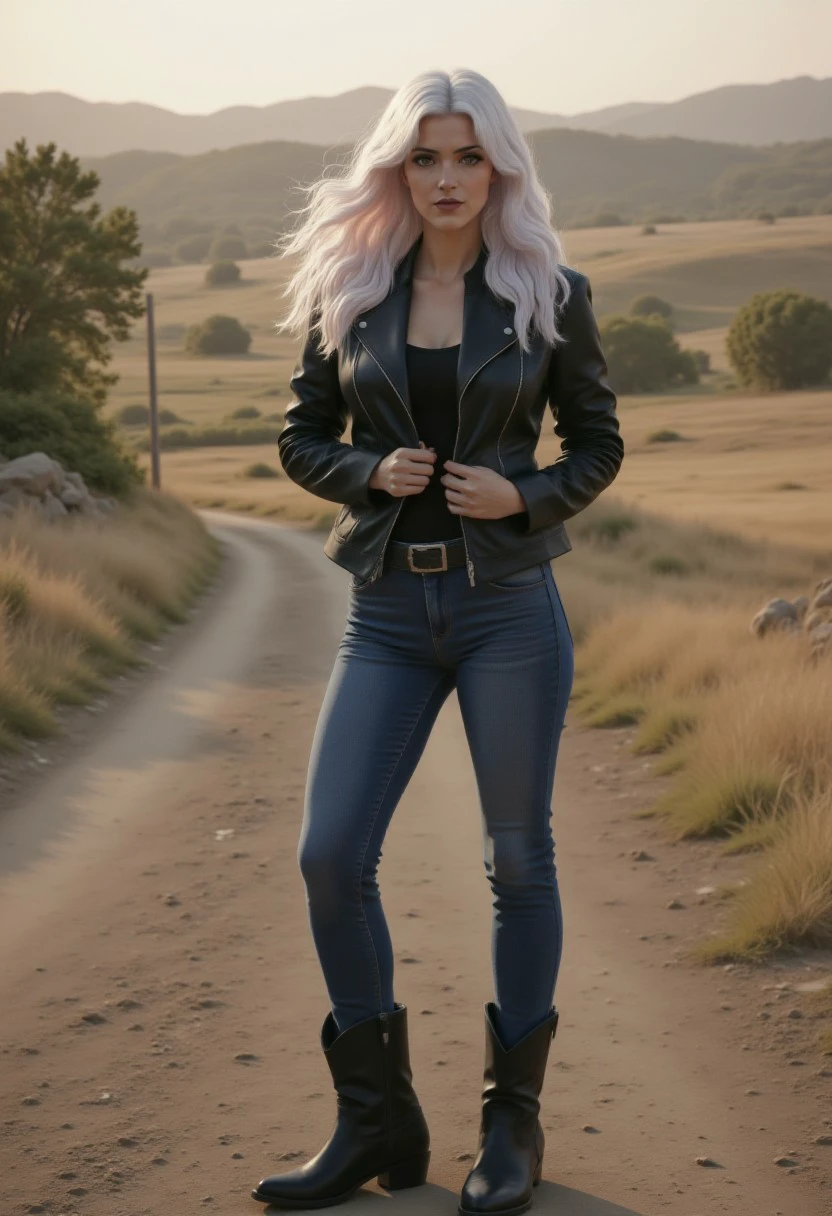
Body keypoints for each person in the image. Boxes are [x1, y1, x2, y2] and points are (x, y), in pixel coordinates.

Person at [252, 67, 624, 1215]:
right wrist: (369, 470)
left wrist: (528, 498)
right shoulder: (352, 289)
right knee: (329, 855)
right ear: (397, 169)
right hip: (387, 614)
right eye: (426, 157)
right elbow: (301, 435)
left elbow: (597, 444)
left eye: (468, 156)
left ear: (498, 166)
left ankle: (510, 1125)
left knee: (518, 858)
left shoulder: (546, 288)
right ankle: (376, 1114)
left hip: (510, 607)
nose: (448, 177)